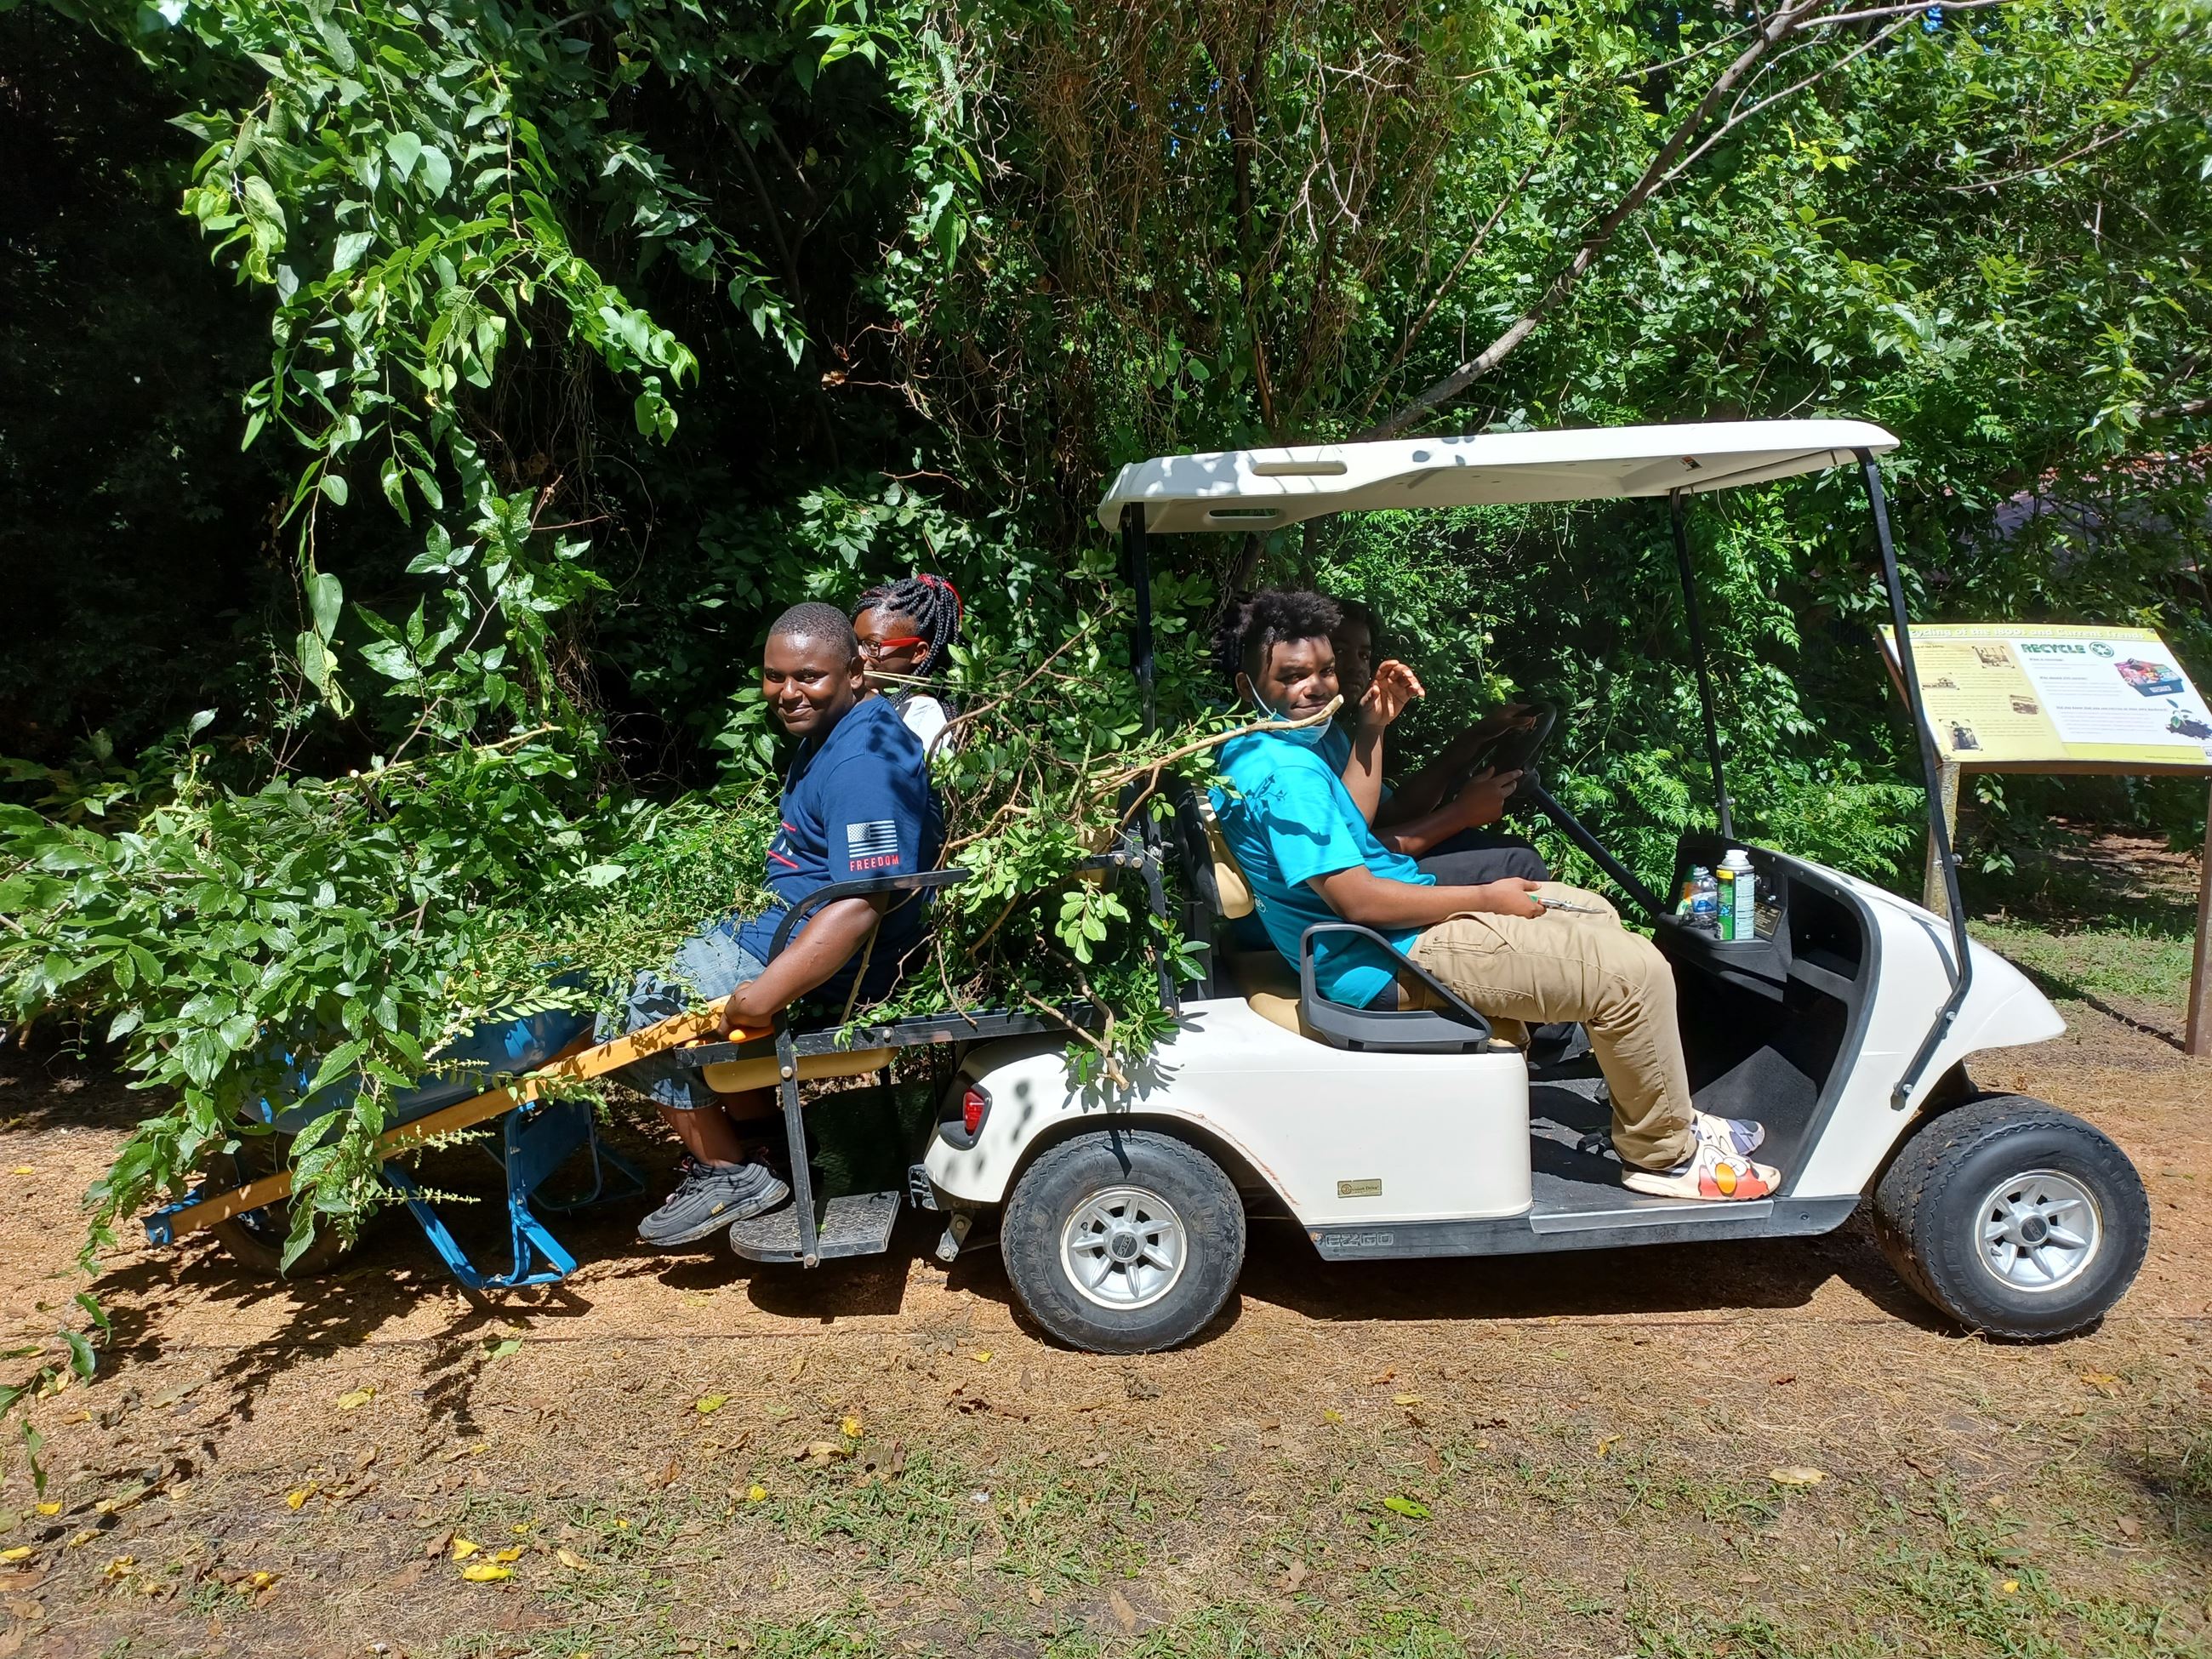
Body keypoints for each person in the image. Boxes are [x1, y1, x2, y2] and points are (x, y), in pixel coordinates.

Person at [1211, 590, 1777, 1201]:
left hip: (1379, 938)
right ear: (1249, 685)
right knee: (1635, 973)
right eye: (1293, 676)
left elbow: (1350, 817)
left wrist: (1372, 726)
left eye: (1323, 671)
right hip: (1376, 955)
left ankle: (1659, 1112)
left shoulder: (1275, 741)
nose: (1317, 687)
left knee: (1594, 913)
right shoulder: (1284, 774)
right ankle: (1664, 1157)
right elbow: (1358, 902)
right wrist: (1485, 898)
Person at [611, 601, 943, 1246]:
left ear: (856, 671)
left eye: (808, 677)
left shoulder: (864, 763)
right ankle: (767, 1149)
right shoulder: (830, 735)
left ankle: (727, 1172)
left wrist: (762, 996)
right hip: (784, 932)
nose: (788, 693)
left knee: (636, 1006)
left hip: (838, 964)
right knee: (632, 977)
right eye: (775, 676)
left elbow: (860, 904)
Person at [1322, 596, 1549, 884]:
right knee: (1521, 862)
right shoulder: (1297, 749)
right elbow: (1351, 853)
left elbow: (1393, 814)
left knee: (1511, 849)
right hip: (1362, 883)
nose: (1356, 666)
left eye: (1364, 655)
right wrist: (1459, 814)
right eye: (1340, 651)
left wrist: (1477, 736)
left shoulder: (1332, 735)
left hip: (1376, 867)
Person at [852, 573, 964, 753]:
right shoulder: (882, 700)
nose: (858, 654)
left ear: (918, 653)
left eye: (873, 645)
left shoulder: (923, 717)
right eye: (855, 641)